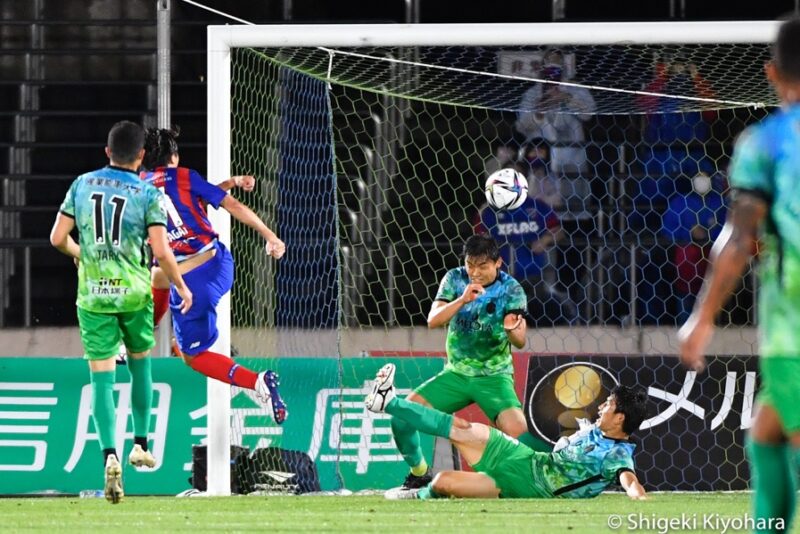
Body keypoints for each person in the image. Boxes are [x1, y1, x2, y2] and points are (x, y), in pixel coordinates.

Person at [678, 18, 800, 534]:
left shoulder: (767, 141)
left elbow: (737, 237)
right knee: (768, 431)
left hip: (792, 327)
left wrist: (702, 318)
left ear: (771, 74)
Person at [50, 121, 193, 504]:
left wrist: (85, 256)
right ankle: (141, 443)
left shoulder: (81, 184)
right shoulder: (147, 193)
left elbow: (57, 238)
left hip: (93, 295)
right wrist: (179, 285)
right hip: (133, 293)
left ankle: (109, 454)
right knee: (141, 366)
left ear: (107, 152)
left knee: (101, 380)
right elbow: (162, 252)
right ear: (142, 156)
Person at [140, 126, 287, 425]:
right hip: (218, 265)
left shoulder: (138, 187)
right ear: (175, 157)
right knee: (159, 273)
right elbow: (222, 205)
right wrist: (270, 235)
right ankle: (144, 331)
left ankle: (257, 381)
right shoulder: (185, 177)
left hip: (189, 287)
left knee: (192, 355)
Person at [388, 234, 548, 491]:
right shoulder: (454, 279)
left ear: (498, 264)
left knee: (520, 435)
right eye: (470, 265)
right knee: (401, 418)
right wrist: (462, 300)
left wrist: (511, 329)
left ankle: (551, 477)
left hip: (494, 378)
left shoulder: (511, 289)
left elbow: (520, 340)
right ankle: (419, 472)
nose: (475, 272)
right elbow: (433, 320)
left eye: (482, 266)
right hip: (456, 375)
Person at [367, 363, 648, 500]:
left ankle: (418, 496)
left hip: (531, 488)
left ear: (620, 417)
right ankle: (389, 401)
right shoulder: (593, 431)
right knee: (463, 429)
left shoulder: (618, 454)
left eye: (608, 405)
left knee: (442, 482)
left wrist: (640, 499)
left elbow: (629, 481)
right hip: (525, 458)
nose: (601, 407)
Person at [478, 181, 578, 326]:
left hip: (535, 275)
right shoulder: (490, 212)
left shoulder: (538, 206)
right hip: (503, 276)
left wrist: (546, 239)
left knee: (541, 314)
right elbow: (478, 237)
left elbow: (559, 230)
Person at [514, 49, 597, 174]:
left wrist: (567, 98)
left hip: (571, 158)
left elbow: (588, 114)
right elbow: (521, 127)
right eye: (548, 65)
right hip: (538, 159)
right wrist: (539, 113)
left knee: (571, 190)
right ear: (542, 68)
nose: (552, 71)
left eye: (556, 65)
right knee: (538, 190)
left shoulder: (576, 90)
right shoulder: (531, 94)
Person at [661, 172, 726, 324]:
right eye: (698, 175)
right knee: (686, 308)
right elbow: (667, 230)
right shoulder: (680, 203)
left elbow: (728, 229)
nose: (702, 180)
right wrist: (689, 233)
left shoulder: (719, 203)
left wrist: (707, 234)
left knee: (712, 309)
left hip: (712, 265)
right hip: (686, 267)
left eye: (705, 176)